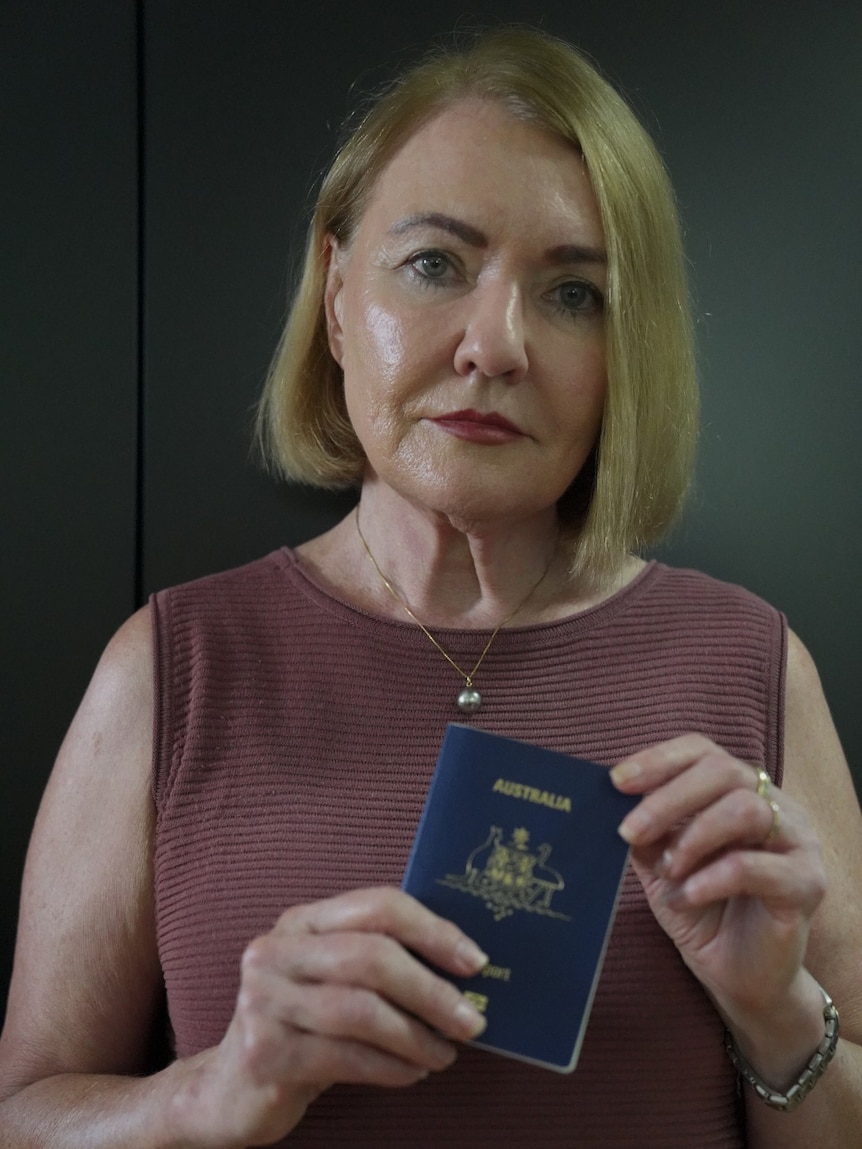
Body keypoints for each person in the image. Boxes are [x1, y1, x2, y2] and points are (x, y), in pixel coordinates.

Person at [0, 25, 860, 1149]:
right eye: (435, 265)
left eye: (571, 294)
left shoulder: (753, 666)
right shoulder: (171, 667)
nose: (492, 345)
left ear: (624, 352)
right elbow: (22, 1115)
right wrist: (207, 1096)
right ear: (338, 291)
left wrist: (774, 1010)